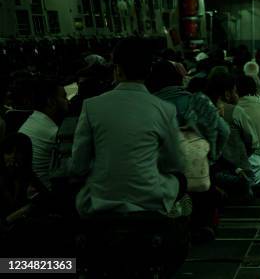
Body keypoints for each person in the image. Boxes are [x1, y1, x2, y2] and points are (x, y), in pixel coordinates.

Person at [71, 38, 185, 216]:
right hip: (150, 199)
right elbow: (173, 163)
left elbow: (78, 166)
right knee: (179, 180)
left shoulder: (91, 106)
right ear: (149, 70)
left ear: (117, 69)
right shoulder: (165, 110)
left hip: (101, 200)